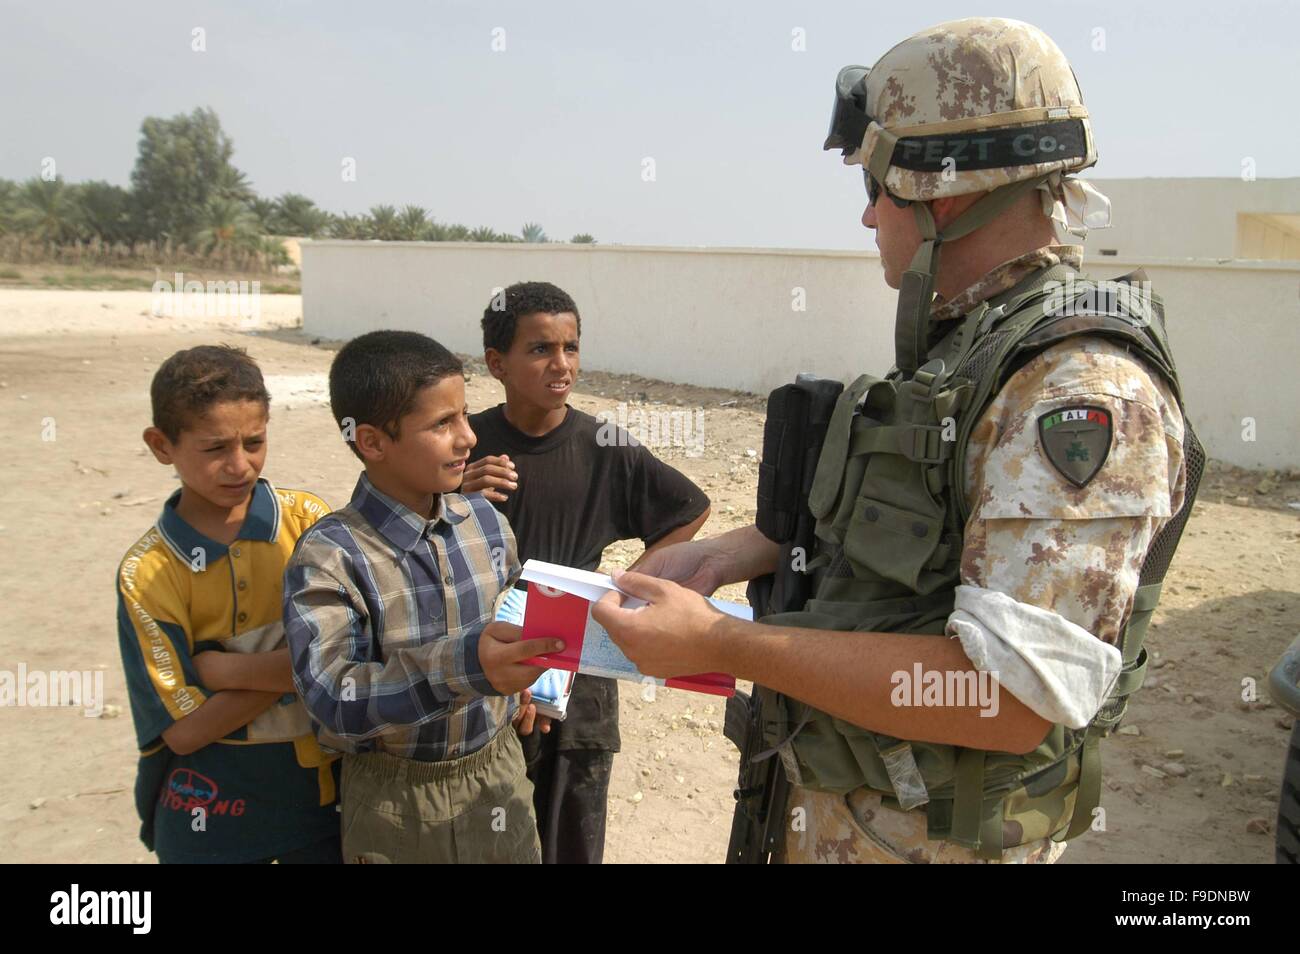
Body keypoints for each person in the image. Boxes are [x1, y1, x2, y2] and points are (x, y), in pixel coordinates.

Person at [592, 17, 1201, 863]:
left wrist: (722, 643)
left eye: (878, 188)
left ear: (941, 193)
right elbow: (925, 545)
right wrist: (740, 555)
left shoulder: (1077, 391)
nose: (870, 216)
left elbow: (1008, 697)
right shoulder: (974, 349)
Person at [283, 330, 563, 863]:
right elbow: (330, 701)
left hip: (499, 775)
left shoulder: (485, 521)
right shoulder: (331, 556)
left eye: (464, 415)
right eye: (442, 424)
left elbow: (513, 611)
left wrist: (526, 683)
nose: (468, 439)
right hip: (395, 802)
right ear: (372, 442)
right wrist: (466, 666)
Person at [463, 281, 710, 863]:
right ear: (497, 363)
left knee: (570, 832)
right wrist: (454, 495)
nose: (561, 364)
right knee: (486, 830)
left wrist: (621, 591)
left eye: (571, 347)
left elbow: (689, 508)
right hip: (485, 666)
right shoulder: (465, 444)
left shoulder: (604, 446)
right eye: (541, 349)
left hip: (579, 676)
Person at [117, 345, 341, 864]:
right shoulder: (148, 573)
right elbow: (185, 730)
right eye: (215, 447)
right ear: (160, 444)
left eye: (255, 442)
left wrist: (222, 670)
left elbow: (345, 660)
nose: (239, 466)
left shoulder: (308, 522)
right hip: (210, 815)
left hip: (323, 802)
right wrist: (295, 669)